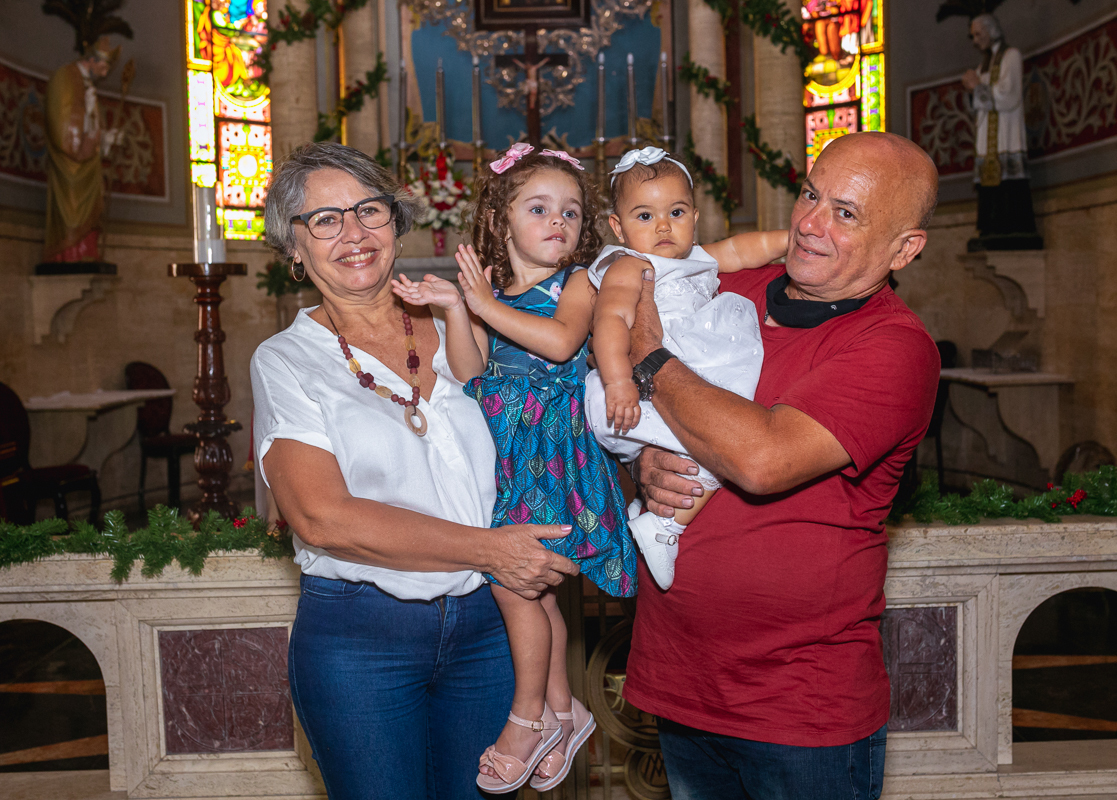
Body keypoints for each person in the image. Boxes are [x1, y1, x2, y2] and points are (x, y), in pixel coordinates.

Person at [250, 141, 579, 800]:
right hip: (363, 640)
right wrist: (489, 548)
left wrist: (658, 460)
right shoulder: (285, 360)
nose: (354, 234)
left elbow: (559, 403)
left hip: (493, 627)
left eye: (369, 211)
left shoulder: (470, 313)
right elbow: (321, 517)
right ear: (294, 247)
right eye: (325, 220)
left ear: (395, 224)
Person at [623, 131, 942, 799]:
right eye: (808, 194)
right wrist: (643, 464)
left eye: (845, 213)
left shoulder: (891, 346)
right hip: (682, 680)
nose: (809, 223)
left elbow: (762, 459)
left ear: (902, 249)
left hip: (799, 707)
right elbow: (615, 411)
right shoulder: (722, 287)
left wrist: (652, 360)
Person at [392, 142, 632, 794]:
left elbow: (559, 342)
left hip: (554, 450)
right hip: (506, 449)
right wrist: (453, 308)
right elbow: (473, 374)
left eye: (572, 212)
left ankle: (528, 716)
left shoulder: (577, 283)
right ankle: (564, 712)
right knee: (534, 588)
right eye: (539, 208)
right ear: (500, 222)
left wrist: (480, 304)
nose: (559, 221)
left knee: (511, 583)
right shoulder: (492, 292)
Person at [582, 146, 787, 590]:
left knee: (720, 435)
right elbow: (611, 320)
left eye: (675, 211)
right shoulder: (628, 265)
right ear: (617, 227)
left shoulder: (695, 259)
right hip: (637, 387)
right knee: (713, 443)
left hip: (690, 370)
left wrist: (793, 241)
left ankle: (660, 521)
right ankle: (663, 527)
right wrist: (617, 380)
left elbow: (741, 248)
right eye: (644, 216)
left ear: (694, 216)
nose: (662, 226)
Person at [961, 13, 1042, 251]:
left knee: (1009, 180)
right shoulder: (983, 63)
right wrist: (972, 90)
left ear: (991, 30)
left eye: (978, 34)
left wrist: (977, 86)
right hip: (987, 133)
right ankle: (991, 226)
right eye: (973, 36)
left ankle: (1014, 227)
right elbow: (977, 102)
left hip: (1006, 131)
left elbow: (1009, 96)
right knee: (990, 180)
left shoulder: (1011, 56)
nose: (975, 41)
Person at [43, 36, 122, 263]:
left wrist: (105, 138)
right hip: (71, 162)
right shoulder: (65, 77)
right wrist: (80, 145)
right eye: (104, 66)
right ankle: (68, 253)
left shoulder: (88, 84)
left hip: (89, 161)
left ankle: (86, 250)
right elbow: (62, 120)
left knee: (92, 206)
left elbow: (91, 123)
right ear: (91, 60)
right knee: (72, 206)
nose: (105, 73)